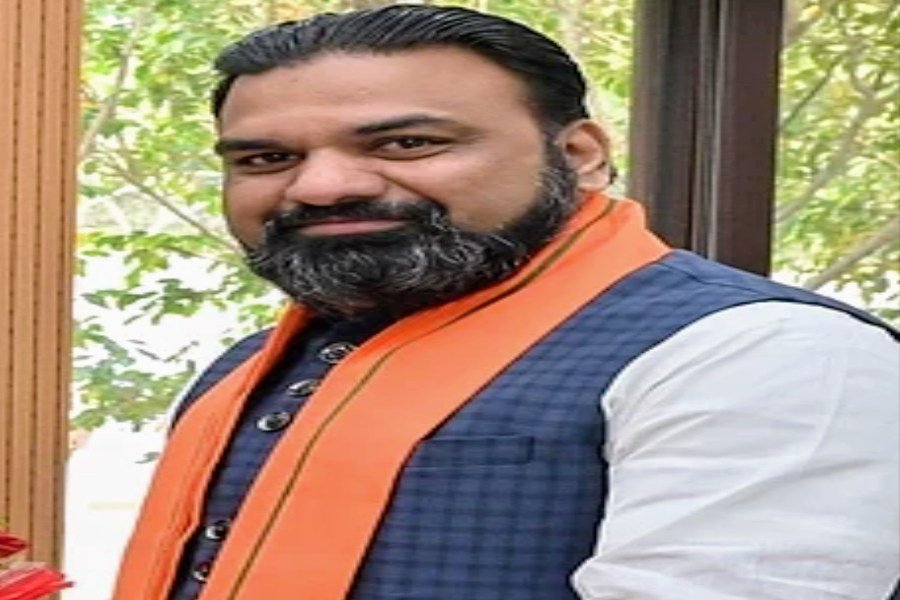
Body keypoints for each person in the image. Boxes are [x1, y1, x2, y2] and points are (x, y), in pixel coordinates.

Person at [113, 5, 899, 599]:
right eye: (266, 158)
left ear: (580, 155)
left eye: (406, 144)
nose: (323, 186)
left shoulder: (763, 354)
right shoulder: (253, 366)